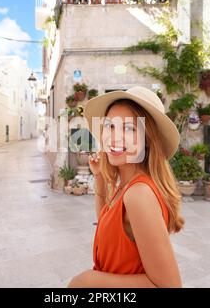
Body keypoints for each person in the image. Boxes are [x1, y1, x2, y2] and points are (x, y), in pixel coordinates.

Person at [68, 86, 183, 288]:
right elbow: (109, 226)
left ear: (147, 139)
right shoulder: (127, 186)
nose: (114, 137)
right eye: (110, 126)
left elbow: (168, 285)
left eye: (129, 128)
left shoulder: (139, 194)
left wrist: (90, 281)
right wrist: (101, 180)